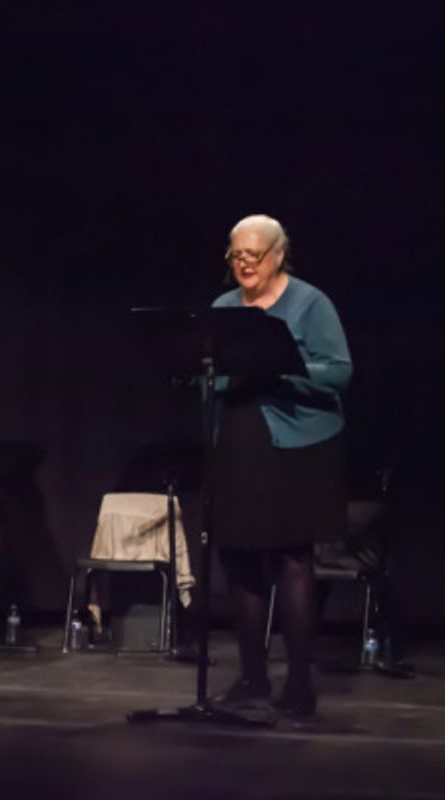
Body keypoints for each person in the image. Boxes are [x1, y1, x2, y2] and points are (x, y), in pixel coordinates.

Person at [210, 214, 352, 717]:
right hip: (242, 439)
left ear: (277, 254)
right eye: (236, 254)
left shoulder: (311, 303)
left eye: (253, 254)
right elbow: (215, 374)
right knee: (242, 559)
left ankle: (298, 682)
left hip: (301, 442)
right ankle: (251, 677)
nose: (244, 263)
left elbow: (339, 372)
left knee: (294, 560)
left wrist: (285, 367)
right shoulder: (224, 308)